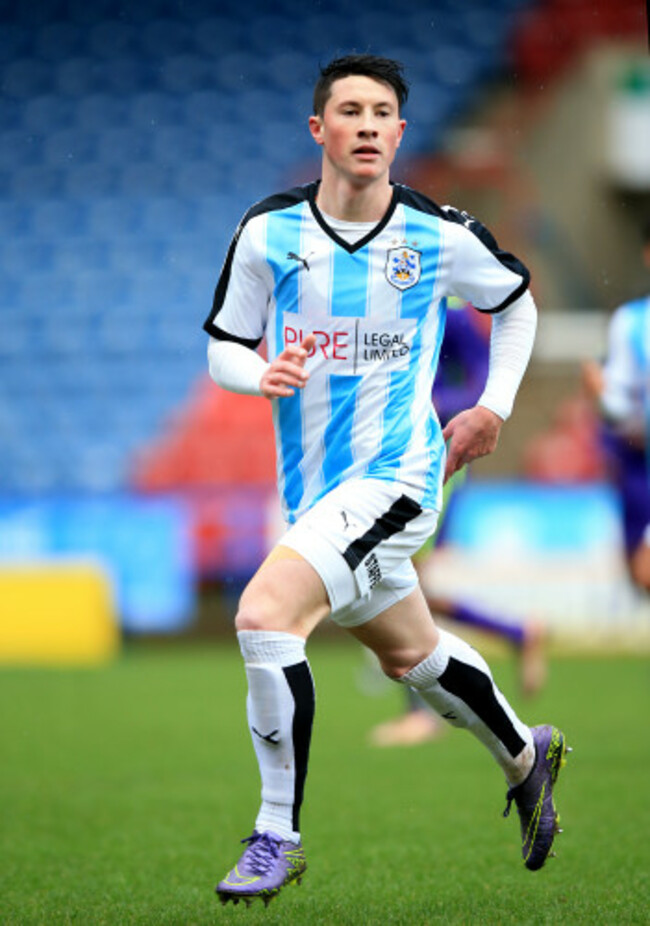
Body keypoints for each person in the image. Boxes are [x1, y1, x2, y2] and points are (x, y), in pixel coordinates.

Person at [204, 54, 568, 907]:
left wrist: (494, 408)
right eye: (350, 111)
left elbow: (515, 302)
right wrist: (256, 373)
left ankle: (274, 835)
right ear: (319, 130)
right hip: (316, 492)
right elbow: (222, 340)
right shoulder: (268, 233)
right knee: (413, 653)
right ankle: (527, 755)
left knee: (264, 617)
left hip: (400, 478)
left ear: (400, 134)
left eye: (383, 113)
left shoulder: (437, 236)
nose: (368, 125)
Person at [370, 302, 547, 748]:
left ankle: (418, 715)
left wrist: (433, 404)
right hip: (388, 456)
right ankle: (517, 633)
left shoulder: (447, 309)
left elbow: (481, 378)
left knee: (395, 580)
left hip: (432, 457)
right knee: (408, 589)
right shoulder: (382, 296)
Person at [582, 219, 650, 592]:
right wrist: (600, 395)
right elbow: (620, 412)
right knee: (638, 576)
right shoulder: (632, 323)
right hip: (639, 463)